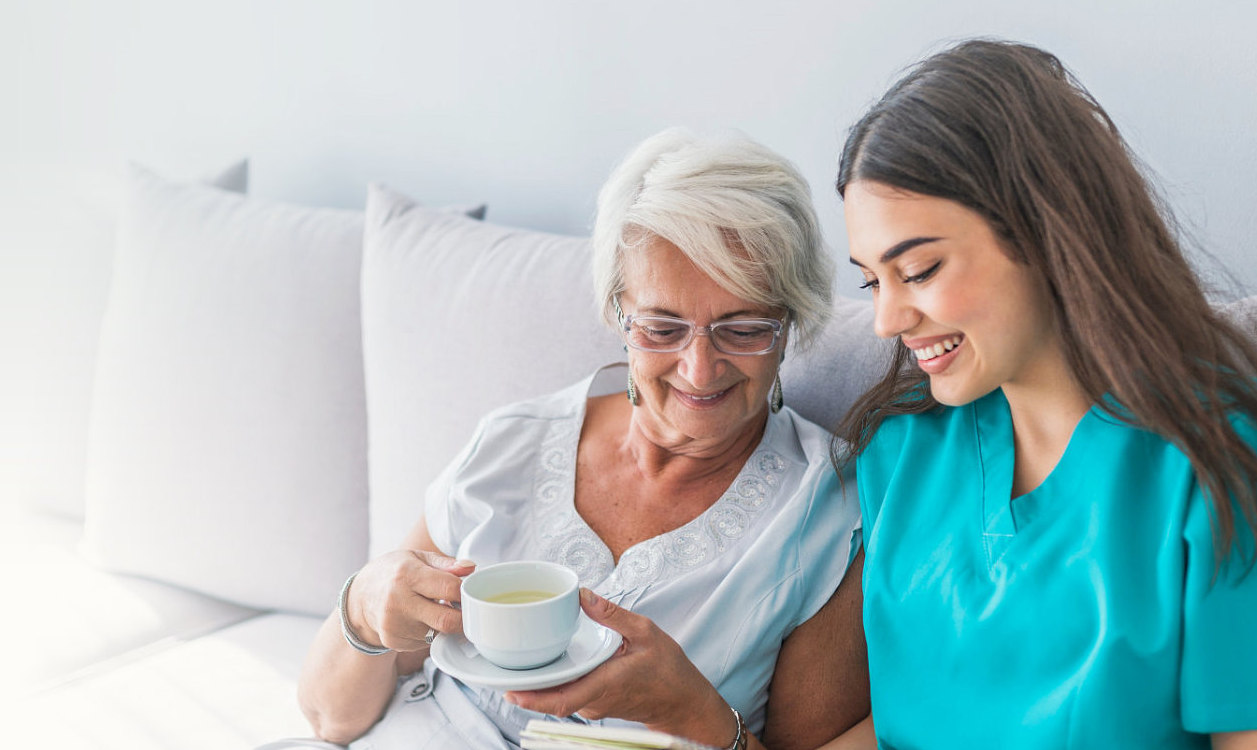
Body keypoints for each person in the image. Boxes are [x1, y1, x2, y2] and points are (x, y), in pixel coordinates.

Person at [825, 40, 1257, 750]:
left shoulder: (1236, 465)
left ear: (1042, 229)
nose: (887, 319)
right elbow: (904, 726)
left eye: (918, 269)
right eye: (870, 281)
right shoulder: (903, 452)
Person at [291, 128, 870, 750]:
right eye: (661, 326)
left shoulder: (828, 514)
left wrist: (694, 712)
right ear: (617, 313)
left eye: (744, 328)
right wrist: (364, 605)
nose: (699, 369)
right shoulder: (512, 444)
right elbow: (331, 720)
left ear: (790, 324)